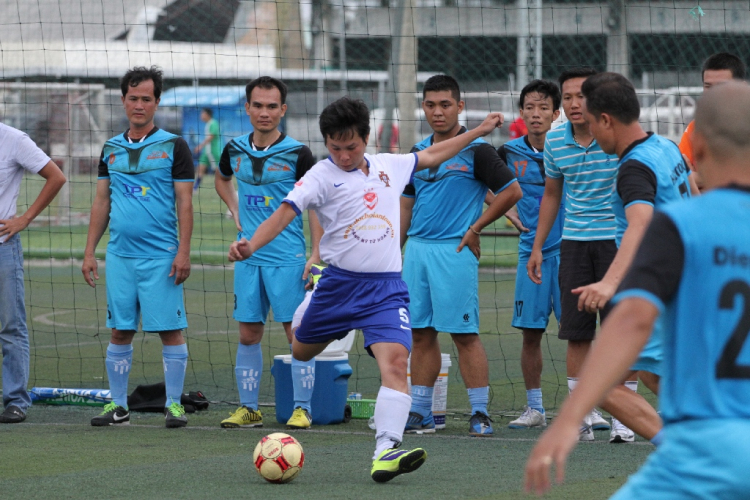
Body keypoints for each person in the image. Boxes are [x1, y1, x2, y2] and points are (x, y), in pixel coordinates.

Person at [228, 97, 505, 482]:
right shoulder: (320, 176)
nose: (343, 155)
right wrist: (251, 245)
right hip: (337, 287)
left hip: (386, 289)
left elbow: (433, 154)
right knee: (300, 351)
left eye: (351, 147)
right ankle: (311, 309)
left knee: (395, 364)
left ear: (366, 137)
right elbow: (284, 213)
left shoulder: (391, 164)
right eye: (335, 147)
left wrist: (475, 133)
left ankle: (386, 449)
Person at [525, 80, 750, 499]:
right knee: (650, 372)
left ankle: (669, 439)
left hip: (703, 455)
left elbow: (632, 315)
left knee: (616, 379)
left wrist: (566, 422)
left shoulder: (676, 221)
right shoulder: (666, 148)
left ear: (698, 147)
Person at [571, 72, 696, 444]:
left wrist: (609, 283)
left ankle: (688, 453)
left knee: (600, 383)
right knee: (656, 375)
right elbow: (691, 193)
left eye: (591, 124)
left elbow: (639, 224)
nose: (591, 134)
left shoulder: (634, 167)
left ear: (606, 120)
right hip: (685, 280)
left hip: (659, 288)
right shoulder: (666, 147)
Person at [400, 74, 521, 437]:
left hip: (454, 250)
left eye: (445, 105)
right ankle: (420, 411)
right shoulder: (416, 153)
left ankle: (480, 412)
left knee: (463, 334)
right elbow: (406, 208)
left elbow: (511, 192)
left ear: (460, 107)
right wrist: (395, 253)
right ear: (423, 107)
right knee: (420, 334)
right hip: (416, 252)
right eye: (431, 105)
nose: (437, 112)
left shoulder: (478, 150)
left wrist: (475, 227)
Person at [82, 66, 194, 428]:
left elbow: (185, 203)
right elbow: (101, 202)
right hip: (120, 256)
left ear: (157, 102)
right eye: (134, 98)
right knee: (120, 330)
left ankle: (174, 405)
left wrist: (184, 251)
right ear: (123, 100)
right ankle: (119, 408)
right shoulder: (110, 148)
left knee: (169, 331)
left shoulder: (174, 145)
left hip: (161, 257)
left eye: (147, 98)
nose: (140, 105)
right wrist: (89, 252)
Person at [214, 76, 322, 430]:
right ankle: (249, 409)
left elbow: (316, 205)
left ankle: (302, 408)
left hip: (288, 258)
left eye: (272, 106)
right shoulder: (233, 149)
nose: (264, 112)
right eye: (257, 105)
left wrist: (316, 251)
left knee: (297, 335)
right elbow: (222, 178)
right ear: (247, 108)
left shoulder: (299, 153)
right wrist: (236, 212)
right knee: (248, 334)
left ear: (283, 110)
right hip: (249, 258)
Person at [526, 67, 625, 441]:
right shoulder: (554, 142)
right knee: (577, 333)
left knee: (619, 330)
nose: (573, 104)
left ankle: (623, 421)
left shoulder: (616, 137)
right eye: (566, 98)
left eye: (580, 96)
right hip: (574, 245)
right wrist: (537, 247)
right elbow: (552, 194)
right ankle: (580, 416)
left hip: (616, 243)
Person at [497, 80, 563, 429]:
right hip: (529, 256)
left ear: (556, 113)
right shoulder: (507, 152)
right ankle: (535, 408)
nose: (536, 114)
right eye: (529, 108)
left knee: (579, 333)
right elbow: (479, 182)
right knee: (530, 333)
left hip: (571, 254)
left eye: (543, 108)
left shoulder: (569, 149)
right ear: (521, 112)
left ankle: (588, 407)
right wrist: (503, 209)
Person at [0, 125, 65, 424]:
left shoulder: (13, 139)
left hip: (3, 247)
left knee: (11, 327)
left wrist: (25, 219)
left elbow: (57, 176)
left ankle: (16, 400)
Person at [679, 52, 746, 189]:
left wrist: (697, 179)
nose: (714, 93)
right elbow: (680, 176)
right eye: (708, 87)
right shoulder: (696, 128)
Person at [193, 107, 221, 191]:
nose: (201, 115)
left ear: (207, 115)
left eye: (202, 113)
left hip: (214, 151)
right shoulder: (207, 124)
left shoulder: (214, 123)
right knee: (200, 168)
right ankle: (195, 188)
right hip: (206, 151)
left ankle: (222, 188)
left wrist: (200, 146)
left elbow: (212, 136)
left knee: (219, 171)